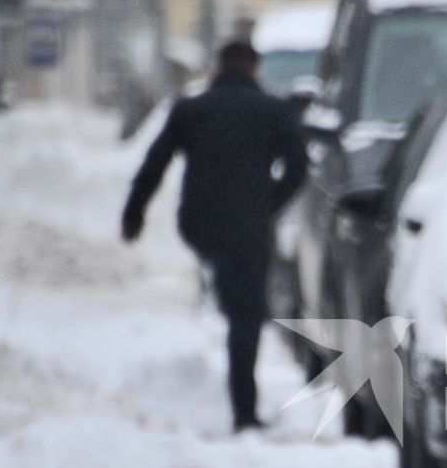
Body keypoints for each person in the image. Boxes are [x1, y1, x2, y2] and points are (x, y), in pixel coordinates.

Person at [120, 40, 308, 432]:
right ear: (254, 70)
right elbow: (298, 167)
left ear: (219, 67)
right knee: (246, 316)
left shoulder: (191, 110)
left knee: (232, 289)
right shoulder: (272, 112)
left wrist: (134, 211)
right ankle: (244, 412)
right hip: (247, 227)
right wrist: (269, 206)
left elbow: (155, 161)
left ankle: (217, 296)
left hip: (199, 224)